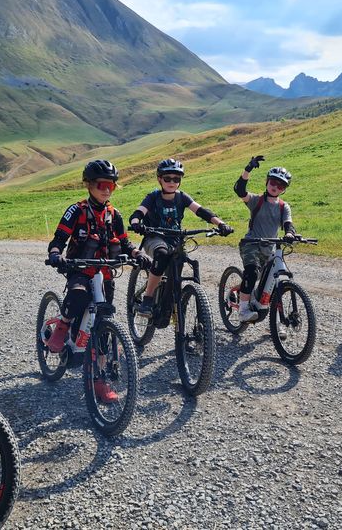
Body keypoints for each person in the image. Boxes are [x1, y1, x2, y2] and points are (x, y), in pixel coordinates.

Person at [46, 160, 151, 402]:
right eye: (101, 185)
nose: (106, 190)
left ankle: (100, 381)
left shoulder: (115, 214)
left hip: (105, 274)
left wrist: (137, 254)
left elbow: (124, 243)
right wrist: (55, 254)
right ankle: (62, 327)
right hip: (79, 269)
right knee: (78, 295)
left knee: (103, 325)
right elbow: (59, 239)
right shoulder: (76, 210)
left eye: (111, 186)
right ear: (89, 185)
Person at [128, 158, 233, 317]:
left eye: (176, 179)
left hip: (175, 239)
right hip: (154, 238)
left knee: (178, 265)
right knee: (162, 254)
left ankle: (172, 307)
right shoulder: (153, 197)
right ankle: (148, 299)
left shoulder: (182, 197)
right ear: (159, 179)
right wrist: (136, 223)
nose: (172, 182)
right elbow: (137, 213)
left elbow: (202, 211)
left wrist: (221, 224)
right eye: (167, 178)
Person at [232, 156, 298, 322]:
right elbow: (240, 190)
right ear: (267, 182)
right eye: (273, 182)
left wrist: (290, 234)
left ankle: (276, 323)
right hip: (251, 244)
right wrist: (248, 169)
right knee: (252, 273)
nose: (275, 187)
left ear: (284, 189)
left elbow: (288, 224)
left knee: (270, 282)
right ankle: (243, 310)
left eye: (281, 185)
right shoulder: (256, 200)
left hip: (270, 248)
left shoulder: (283, 206)